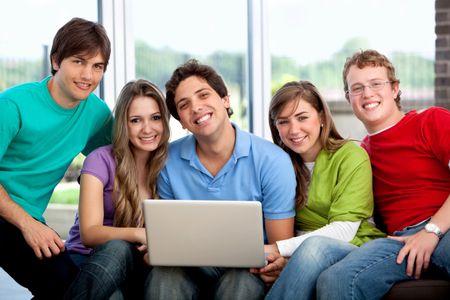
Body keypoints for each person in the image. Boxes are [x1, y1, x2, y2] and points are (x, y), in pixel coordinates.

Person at [145, 59, 297, 300]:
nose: (196, 107)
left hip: (246, 269)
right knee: (164, 278)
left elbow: (280, 247)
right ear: (182, 121)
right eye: (184, 105)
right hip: (189, 266)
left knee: (239, 285)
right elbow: (168, 238)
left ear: (225, 100)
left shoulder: (272, 161)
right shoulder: (167, 161)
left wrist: (274, 265)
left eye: (203, 95)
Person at [316, 49, 450, 300]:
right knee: (336, 279)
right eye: (357, 88)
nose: (367, 94)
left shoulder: (430, 120)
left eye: (376, 84)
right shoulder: (359, 154)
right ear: (348, 98)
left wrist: (431, 232)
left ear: (395, 89)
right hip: (399, 242)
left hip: (445, 225)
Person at [0, 17, 112, 299]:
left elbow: (121, 158)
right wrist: (28, 224)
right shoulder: (13, 105)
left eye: (97, 66)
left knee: (69, 284)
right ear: (55, 61)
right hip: (12, 214)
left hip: (27, 217)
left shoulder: (96, 114)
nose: (88, 75)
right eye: (78, 61)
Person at [249, 81, 385, 300]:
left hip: (355, 247)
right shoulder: (276, 164)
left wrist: (280, 248)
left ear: (321, 117)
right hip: (304, 255)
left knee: (314, 249)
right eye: (283, 122)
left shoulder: (351, 156)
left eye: (302, 117)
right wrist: (288, 258)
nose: (294, 130)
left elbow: (345, 230)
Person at [64, 79, 170, 299]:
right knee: (116, 266)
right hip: (88, 259)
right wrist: (140, 234)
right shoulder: (100, 160)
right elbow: (90, 233)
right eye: (136, 120)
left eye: (156, 118)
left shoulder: (170, 165)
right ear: (124, 123)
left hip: (140, 262)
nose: (147, 129)